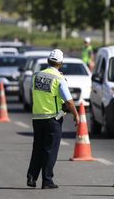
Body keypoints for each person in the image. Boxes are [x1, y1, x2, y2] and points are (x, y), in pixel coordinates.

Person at [27, 49, 80, 189]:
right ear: (61, 63)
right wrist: (76, 114)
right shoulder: (59, 79)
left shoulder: (36, 76)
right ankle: (47, 180)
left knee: (37, 148)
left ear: (48, 61)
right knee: (50, 150)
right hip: (52, 118)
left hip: (37, 118)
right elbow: (68, 101)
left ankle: (31, 177)